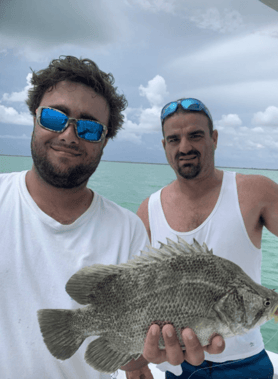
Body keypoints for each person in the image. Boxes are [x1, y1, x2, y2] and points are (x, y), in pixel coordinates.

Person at [0, 58, 223, 378]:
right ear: (34, 118)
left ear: (104, 140)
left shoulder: (127, 229)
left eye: (90, 127)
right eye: (53, 117)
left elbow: (127, 359)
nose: (69, 134)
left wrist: (156, 348)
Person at [136, 98, 278, 379]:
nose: (184, 147)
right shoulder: (148, 211)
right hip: (177, 365)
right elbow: (137, 298)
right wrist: (136, 366)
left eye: (195, 135)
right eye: (174, 139)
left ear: (214, 138)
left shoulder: (254, 193)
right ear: (164, 146)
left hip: (245, 365)